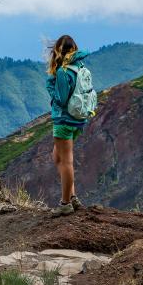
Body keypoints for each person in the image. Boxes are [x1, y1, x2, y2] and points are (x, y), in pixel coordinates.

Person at [46, 35, 94, 217]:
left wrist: (50, 87)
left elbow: (61, 99)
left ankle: (65, 203)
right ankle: (72, 197)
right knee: (57, 157)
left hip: (64, 121)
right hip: (78, 119)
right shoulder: (81, 67)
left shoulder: (62, 72)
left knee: (66, 162)